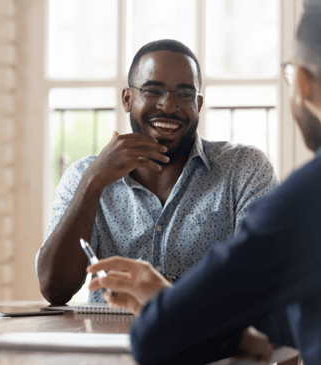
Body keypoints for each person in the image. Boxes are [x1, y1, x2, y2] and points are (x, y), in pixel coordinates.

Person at [87, 6, 321, 364]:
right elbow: (291, 313)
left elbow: (155, 338)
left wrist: (169, 304)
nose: (168, 106)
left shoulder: (306, 199)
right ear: (127, 98)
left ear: (303, 84)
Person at [36, 39, 279, 305]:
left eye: (184, 94)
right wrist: (93, 183)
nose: (169, 106)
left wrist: (167, 296)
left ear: (198, 105)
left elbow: (266, 280)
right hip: (108, 342)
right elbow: (53, 288)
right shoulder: (85, 175)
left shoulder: (245, 169)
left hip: (209, 344)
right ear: (127, 99)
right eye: (152, 91)